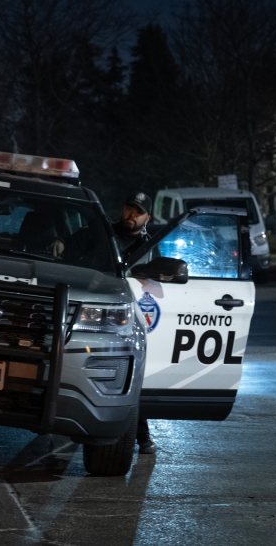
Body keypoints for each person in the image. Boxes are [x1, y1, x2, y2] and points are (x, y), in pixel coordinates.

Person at [113, 192, 157, 456]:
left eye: (137, 211)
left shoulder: (151, 247)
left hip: (133, 317)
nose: (131, 214)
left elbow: (156, 282)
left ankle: (142, 436)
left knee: (133, 374)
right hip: (100, 312)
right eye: (129, 208)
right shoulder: (103, 234)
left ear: (147, 217)